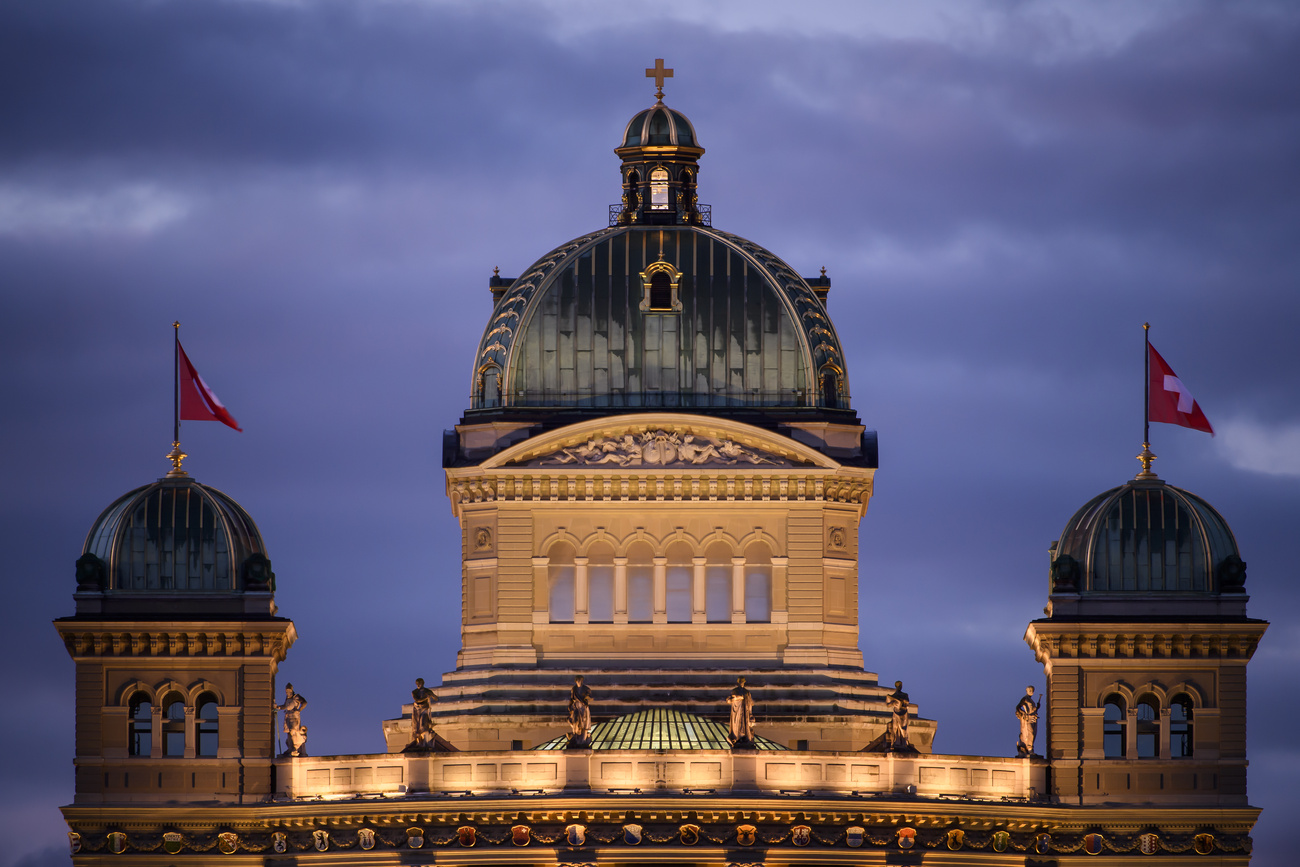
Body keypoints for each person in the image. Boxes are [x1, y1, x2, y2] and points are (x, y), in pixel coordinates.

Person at [276, 684, 307, 757]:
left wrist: (299, 710)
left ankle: (295, 748)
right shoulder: (287, 698)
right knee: (289, 733)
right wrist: (278, 707)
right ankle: (290, 748)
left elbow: (304, 702)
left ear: (291, 691)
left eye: (289, 691)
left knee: (293, 731)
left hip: (294, 717)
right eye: (286, 691)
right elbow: (285, 706)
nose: (287, 693)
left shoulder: (296, 697)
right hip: (287, 717)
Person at [727, 676, 755, 745]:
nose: (741, 683)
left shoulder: (747, 692)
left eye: (742, 682)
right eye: (740, 682)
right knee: (737, 725)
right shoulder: (735, 691)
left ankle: (745, 738)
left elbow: (750, 704)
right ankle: (737, 738)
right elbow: (729, 700)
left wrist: (750, 714)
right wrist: (737, 698)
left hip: (745, 711)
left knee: (744, 725)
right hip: (737, 711)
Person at [411, 678, 437, 748]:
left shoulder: (427, 691)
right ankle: (419, 740)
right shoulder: (414, 692)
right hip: (417, 709)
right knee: (416, 725)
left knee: (423, 724)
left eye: (419, 683)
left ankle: (425, 739)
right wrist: (426, 698)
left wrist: (432, 695)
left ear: (422, 683)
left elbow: (436, 698)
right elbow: (417, 700)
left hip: (425, 709)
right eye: (417, 684)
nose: (418, 685)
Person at [1016, 685, 1041, 757]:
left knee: (1034, 734)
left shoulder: (1031, 700)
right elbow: (1018, 707)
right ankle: (1030, 749)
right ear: (1026, 691)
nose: (1031, 692)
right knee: (1030, 734)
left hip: (1034, 719)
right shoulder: (1025, 699)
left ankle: (1030, 749)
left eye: (1032, 690)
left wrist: (1037, 707)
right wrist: (1023, 713)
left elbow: (1032, 710)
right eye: (1030, 690)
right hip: (1028, 719)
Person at [885, 681, 910, 750]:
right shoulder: (893, 696)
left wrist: (903, 701)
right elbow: (888, 705)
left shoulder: (905, 695)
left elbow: (907, 703)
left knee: (903, 729)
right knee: (894, 729)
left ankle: (905, 742)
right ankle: (893, 743)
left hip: (903, 714)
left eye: (900, 686)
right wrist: (893, 703)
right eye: (899, 686)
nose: (899, 687)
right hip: (896, 713)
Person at [568, 675, 593, 744]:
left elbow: (591, 697)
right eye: (578, 680)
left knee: (584, 722)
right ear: (576, 681)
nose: (579, 682)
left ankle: (582, 738)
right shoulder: (574, 689)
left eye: (581, 680)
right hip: (576, 706)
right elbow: (571, 698)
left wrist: (586, 698)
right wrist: (570, 706)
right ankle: (576, 733)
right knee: (576, 720)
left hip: (583, 707)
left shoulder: (586, 689)